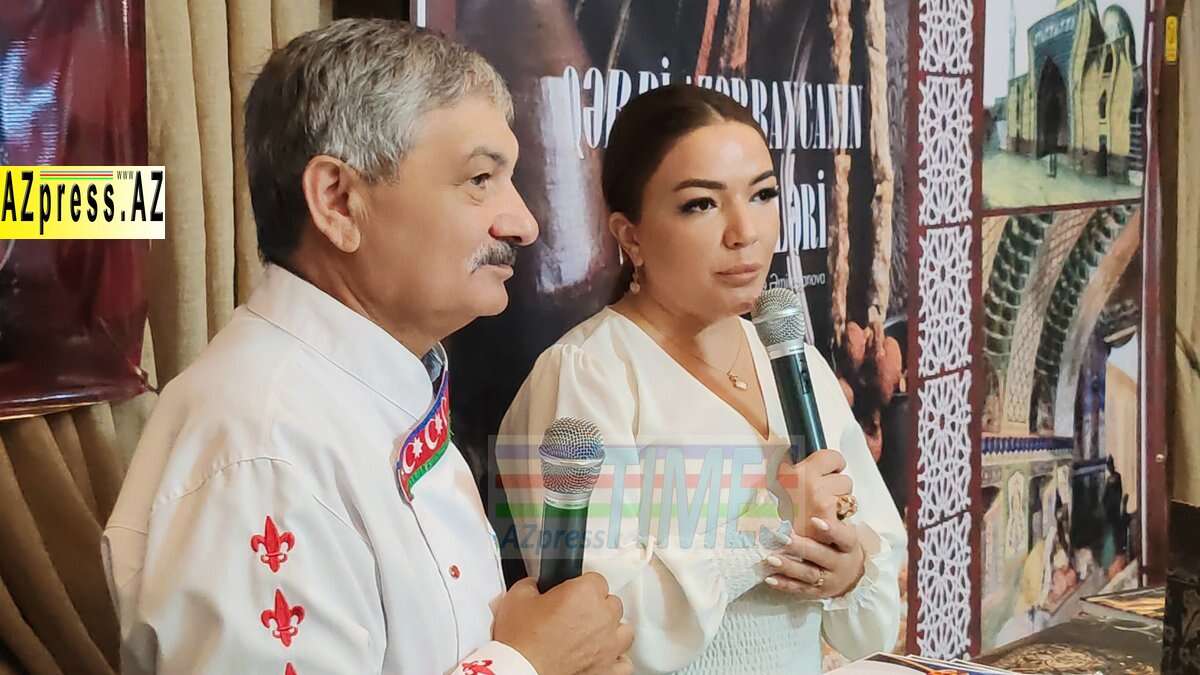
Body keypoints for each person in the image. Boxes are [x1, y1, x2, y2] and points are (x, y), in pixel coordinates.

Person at [102, 19, 632, 675]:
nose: (523, 223)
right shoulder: (264, 445)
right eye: (479, 179)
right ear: (338, 201)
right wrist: (531, 661)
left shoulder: (376, 391)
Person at [498, 84, 905, 674]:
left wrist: (849, 570)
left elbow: (873, 615)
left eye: (762, 194)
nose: (745, 231)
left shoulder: (797, 363)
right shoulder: (587, 374)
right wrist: (769, 530)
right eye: (701, 205)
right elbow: (593, 629)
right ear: (630, 235)